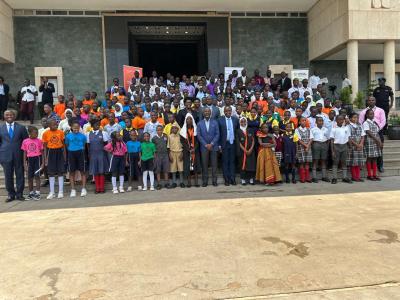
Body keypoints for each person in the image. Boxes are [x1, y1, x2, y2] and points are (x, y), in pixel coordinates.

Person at [0, 110, 28, 202]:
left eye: (11, 114)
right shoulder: (1, 128)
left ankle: (19, 194)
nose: (9, 116)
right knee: (8, 176)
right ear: (4, 116)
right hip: (5, 155)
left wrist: (26, 157)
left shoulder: (21, 128)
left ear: (14, 116)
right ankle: (10, 194)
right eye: (7, 115)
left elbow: (26, 142)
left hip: (19, 155)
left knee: (20, 175)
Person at [359, 96, 386, 172]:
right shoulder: (363, 112)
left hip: (378, 132)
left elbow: (383, 121)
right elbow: (361, 123)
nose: (371, 101)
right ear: (367, 102)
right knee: (368, 151)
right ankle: (366, 166)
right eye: (369, 100)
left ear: (375, 101)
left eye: (373, 100)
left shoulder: (381, 110)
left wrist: (377, 129)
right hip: (367, 134)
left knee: (379, 148)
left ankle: (380, 166)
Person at [42, 119, 66, 199]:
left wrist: (64, 155)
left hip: (59, 152)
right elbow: (45, 147)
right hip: (50, 152)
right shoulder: (45, 133)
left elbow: (63, 145)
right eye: (53, 125)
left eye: (56, 124)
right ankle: (52, 192)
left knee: (60, 172)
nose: (55, 126)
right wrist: (45, 158)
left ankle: (61, 191)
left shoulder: (60, 132)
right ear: (49, 126)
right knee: (51, 173)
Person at [197, 107, 220, 187]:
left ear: (210, 113)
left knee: (214, 164)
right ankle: (205, 181)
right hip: (204, 147)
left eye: (208, 111)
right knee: (204, 165)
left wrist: (212, 143)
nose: (207, 113)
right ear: (203, 113)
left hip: (213, 146)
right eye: (205, 111)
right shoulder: (199, 123)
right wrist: (206, 144)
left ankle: (214, 181)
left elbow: (217, 134)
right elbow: (199, 136)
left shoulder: (215, 122)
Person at [65, 121, 88, 197]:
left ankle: (84, 188)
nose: (76, 128)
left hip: (81, 153)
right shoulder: (68, 136)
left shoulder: (83, 136)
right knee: (72, 172)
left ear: (79, 128)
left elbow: (84, 145)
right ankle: (73, 190)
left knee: (82, 171)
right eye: (74, 127)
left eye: (77, 127)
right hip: (71, 154)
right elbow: (67, 145)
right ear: (71, 127)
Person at [21, 126, 44, 200]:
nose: (37, 134)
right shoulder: (25, 141)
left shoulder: (39, 141)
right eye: (35, 133)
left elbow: (42, 152)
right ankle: (31, 193)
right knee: (29, 177)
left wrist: (43, 163)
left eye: (37, 133)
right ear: (29, 133)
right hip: (29, 160)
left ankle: (37, 193)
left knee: (37, 176)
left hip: (37, 159)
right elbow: (24, 153)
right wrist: (24, 163)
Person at [87, 119, 109, 194]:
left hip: (101, 154)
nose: (98, 125)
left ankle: (102, 188)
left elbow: (106, 144)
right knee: (95, 171)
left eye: (99, 124)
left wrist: (105, 154)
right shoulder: (88, 134)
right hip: (93, 155)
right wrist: (89, 154)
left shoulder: (103, 133)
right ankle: (97, 188)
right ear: (92, 126)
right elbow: (88, 145)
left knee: (101, 171)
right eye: (96, 124)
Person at [218, 106, 239, 185]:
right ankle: (226, 179)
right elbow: (219, 134)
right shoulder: (220, 120)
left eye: (229, 110)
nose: (228, 112)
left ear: (231, 111)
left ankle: (232, 178)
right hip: (224, 144)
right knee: (225, 162)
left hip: (233, 143)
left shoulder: (235, 120)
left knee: (232, 162)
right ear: (224, 111)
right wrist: (219, 145)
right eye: (226, 111)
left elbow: (237, 132)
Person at [180, 113, 201, 187]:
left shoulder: (196, 129)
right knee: (187, 166)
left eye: (190, 119)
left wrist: (194, 148)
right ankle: (189, 183)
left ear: (192, 120)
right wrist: (188, 149)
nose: (189, 120)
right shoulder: (182, 130)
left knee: (195, 165)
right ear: (185, 120)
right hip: (187, 151)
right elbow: (182, 141)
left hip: (195, 150)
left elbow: (198, 140)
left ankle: (196, 182)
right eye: (187, 119)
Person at [330, 115, 352, 184]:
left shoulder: (346, 128)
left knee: (344, 162)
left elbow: (348, 138)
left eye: (342, 119)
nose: (341, 121)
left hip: (344, 146)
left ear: (344, 120)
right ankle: (334, 178)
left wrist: (350, 147)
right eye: (339, 120)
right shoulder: (334, 129)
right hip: (336, 146)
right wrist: (332, 151)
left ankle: (345, 177)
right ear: (336, 121)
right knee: (335, 162)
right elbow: (332, 141)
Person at [363, 109, 383, 181]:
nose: (372, 115)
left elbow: (377, 133)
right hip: (369, 142)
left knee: (375, 158)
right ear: (367, 115)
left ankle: (375, 174)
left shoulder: (374, 122)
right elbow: (368, 132)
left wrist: (380, 142)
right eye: (370, 114)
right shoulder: (366, 123)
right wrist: (377, 140)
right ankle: (369, 175)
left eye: (373, 114)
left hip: (376, 142)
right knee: (369, 158)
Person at [236, 117, 256, 185]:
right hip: (242, 152)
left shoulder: (250, 130)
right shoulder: (238, 131)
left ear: (246, 122)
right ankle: (243, 180)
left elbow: (253, 140)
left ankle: (251, 179)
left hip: (251, 151)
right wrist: (245, 150)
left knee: (251, 165)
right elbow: (238, 142)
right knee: (243, 165)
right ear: (239, 123)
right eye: (242, 122)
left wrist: (250, 149)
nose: (243, 123)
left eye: (244, 122)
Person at [347, 113, 366, 182]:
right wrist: (356, 145)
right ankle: (354, 177)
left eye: (356, 118)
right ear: (350, 118)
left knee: (358, 162)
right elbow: (349, 137)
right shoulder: (348, 126)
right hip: (352, 147)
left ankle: (358, 176)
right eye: (354, 117)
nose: (355, 119)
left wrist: (361, 144)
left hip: (359, 146)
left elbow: (363, 136)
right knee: (353, 162)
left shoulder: (360, 126)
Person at [310, 117, 330, 183]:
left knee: (323, 160)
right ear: (316, 122)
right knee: (315, 160)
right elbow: (311, 139)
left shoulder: (326, 129)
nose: (320, 122)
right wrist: (313, 146)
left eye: (322, 121)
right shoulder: (313, 129)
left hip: (324, 144)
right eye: (319, 121)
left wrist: (326, 145)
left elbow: (328, 138)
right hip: (316, 144)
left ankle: (324, 176)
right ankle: (314, 177)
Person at [295, 117, 313, 183]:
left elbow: (311, 138)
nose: (304, 122)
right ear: (299, 122)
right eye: (302, 120)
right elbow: (298, 140)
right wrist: (306, 146)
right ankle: (302, 177)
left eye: (305, 120)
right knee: (302, 162)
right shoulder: (297, 130)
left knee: (307, 162)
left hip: (308, 147)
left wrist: (308, 146)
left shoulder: (309, 129)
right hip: (301, 147)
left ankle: (307, 177)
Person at [152, 125, 170, 189]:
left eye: (160, 130)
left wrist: (168, 154)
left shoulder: (165, 137)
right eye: (158, 130)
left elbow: (168, 145)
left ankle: (167, 183)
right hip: (157, 155)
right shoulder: (154, 138)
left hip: (165, 155)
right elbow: (153, 147)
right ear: (156, 131)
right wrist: (154, 155)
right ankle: (159, 184)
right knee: (158, 170)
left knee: (166, 169)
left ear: (162, 130)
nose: (159, 131)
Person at [168, 123, 184, 188]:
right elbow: (168, 147)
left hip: (180, 153)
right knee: (173, 169)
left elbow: (183, 146)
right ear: (171, 129)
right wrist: (170, 155)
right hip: (172, 153)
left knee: (180, 169)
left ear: (178, 129)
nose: (174, 129)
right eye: (173, 128)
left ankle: (181, 182)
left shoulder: (180, 136)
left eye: (176, 128)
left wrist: (182, 153)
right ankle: (174, 182)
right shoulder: (169, 136)